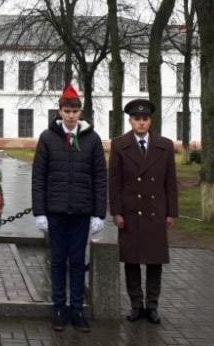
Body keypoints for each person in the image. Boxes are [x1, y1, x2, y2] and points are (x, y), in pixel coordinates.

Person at [32, 84, 106, 333]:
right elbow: (39, 178)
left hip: (82, 213)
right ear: (60, 112)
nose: (71, 115)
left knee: (77, 261)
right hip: (55, 212)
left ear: (80, 112)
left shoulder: (92, 140)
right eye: (67, 110)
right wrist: (39, 212)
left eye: (75, 110)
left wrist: (99, 213)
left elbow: (99, 178)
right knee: (57, 261)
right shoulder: (48, 138)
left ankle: (77, 309)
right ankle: (58, 308)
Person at [108, 98, 177, 324]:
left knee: (155, 260)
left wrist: (171, 212)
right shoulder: (119, 145)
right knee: (132, 260)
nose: (141, 123)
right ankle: (136, 305)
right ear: (130, 120)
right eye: (136, 119)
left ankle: (153, 305)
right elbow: (114, 182)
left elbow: (171, 182)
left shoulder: (165, 145)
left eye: (145, 119)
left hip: (156, 211)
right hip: (130, 211)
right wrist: (116, 212)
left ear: (151, 121)